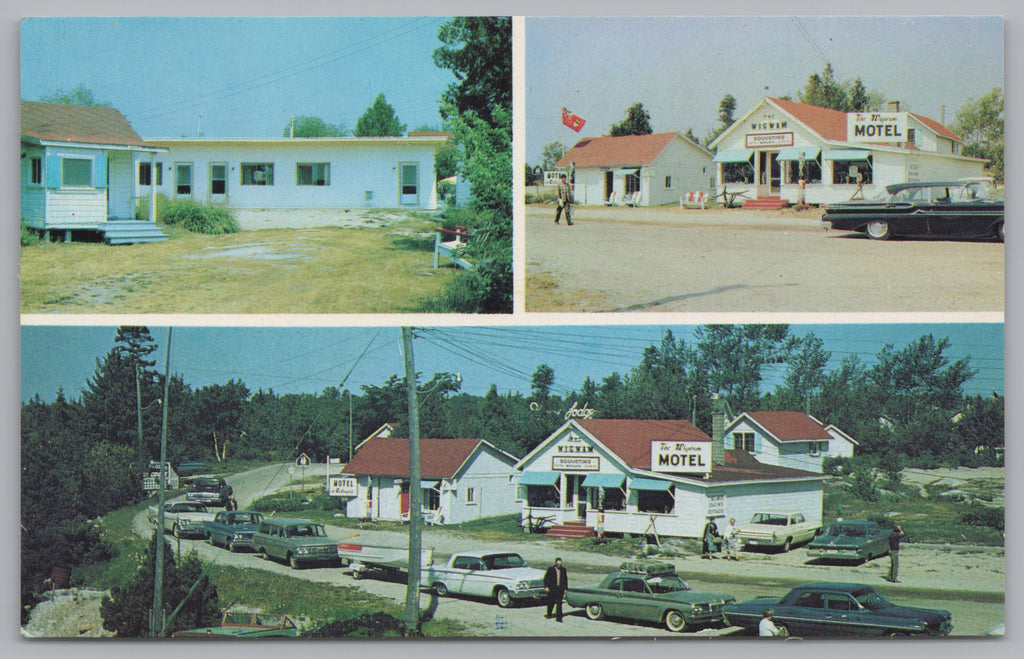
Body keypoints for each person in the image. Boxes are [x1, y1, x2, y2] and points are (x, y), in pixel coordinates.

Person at [543, 557, 569, 622]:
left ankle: (559, 618)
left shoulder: (563, 570)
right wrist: (546, 587)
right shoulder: (551, 569)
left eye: (560, 564)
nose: (559, 565)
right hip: (552, 588)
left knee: (559, 603)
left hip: (560, 589)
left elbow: (565, 579)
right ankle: (549, 613)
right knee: (551, 602)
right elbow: (546, 578)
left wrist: (565, 588)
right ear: (555, 563)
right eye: (558, 564)